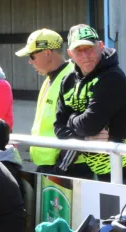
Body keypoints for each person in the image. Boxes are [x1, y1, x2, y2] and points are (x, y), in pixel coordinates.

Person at [54, 24, 126, 187]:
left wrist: (71, 120)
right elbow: (58, 127)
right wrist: (84, 138)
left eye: (89, 48)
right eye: (79, 50)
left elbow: (90, 124)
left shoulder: (112, 77)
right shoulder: (68, 82)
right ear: (70, 54)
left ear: (101, 46)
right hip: (101, 170)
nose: (85, 55)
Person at [16, 28, 93, 180]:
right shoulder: (51, 79)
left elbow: (79, 128)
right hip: (52, 165)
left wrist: (61, 167)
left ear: (47, 53)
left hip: (68, 168)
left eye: (32, 56)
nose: (30, 61)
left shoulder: (72, 78)